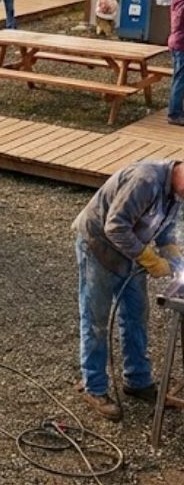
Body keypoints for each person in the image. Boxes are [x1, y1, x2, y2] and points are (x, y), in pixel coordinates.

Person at [71, 159, 184, 421]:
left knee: (136, 315)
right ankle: (94, 387)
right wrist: (151, 260)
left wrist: (174, 257)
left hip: (129, 251)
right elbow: (115, 226)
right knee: (96, 321)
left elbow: (165, 230)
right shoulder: (145, 180)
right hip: (98, 246)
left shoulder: (175, 192)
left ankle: (137, 380)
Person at [168, 0, 184, 127]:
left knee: (179, 78)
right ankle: (174, 114)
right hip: (181, 45)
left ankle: (177, 110)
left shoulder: (177, 0)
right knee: (179, 79)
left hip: (176, 43)